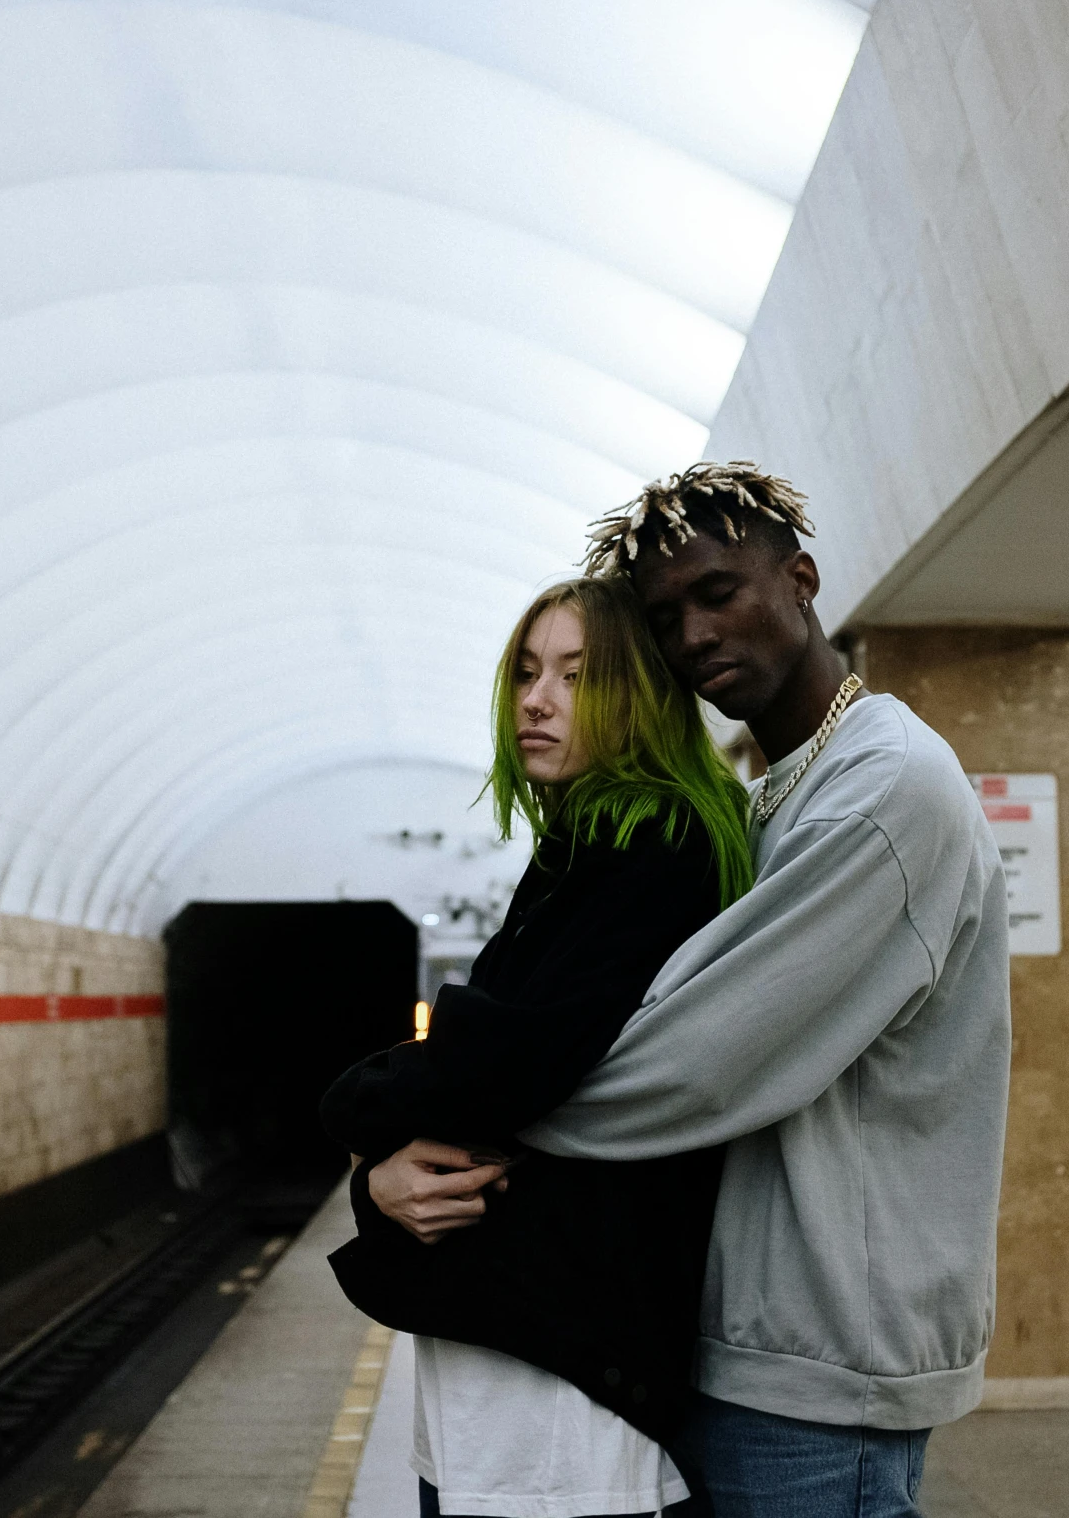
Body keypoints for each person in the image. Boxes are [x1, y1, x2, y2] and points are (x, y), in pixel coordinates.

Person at [368, 463, 1012, 1518]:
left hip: (823, 1367)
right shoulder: (772, 795)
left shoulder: (884, 791)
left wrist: (417, 1127)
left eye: (719, 592)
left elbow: (686, 1070)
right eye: (667, 617)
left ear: (800, 580)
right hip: (744, 1344)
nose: (695, 635)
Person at [321, 572, 754, 1518]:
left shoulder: (659, 845)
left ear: (638, 691)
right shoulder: (583, 846)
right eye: (525, 673)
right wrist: (380, 1180)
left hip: (566, 1406)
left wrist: (353, 1106)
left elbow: (509, 1067)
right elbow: (491, 1068)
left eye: (575, 674)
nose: (538, 701)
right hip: (514, 1385)